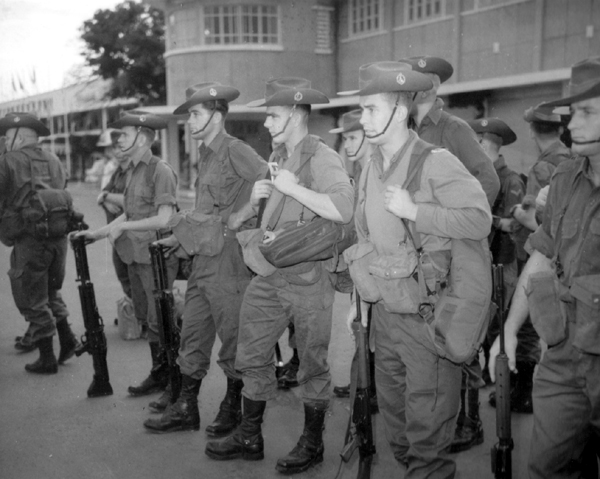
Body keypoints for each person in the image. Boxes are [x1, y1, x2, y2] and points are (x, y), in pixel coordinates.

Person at [343, 61, 491, 477]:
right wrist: (364, 301)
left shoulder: (435, 161)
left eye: (371, 109)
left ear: (400, 110)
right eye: (362, 109)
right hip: (387, 316)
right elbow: (367, 235)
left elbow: (479, 219)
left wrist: (417, 211)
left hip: (428, 318)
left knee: (427, 440)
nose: (363, 118)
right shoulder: (370, 165)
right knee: (399, 431)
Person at [205, 77, 354, 474]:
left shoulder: (320, 157)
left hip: (308, 280)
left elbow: (343, 208)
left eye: (272, 115)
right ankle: (250, 436)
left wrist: (294, 188)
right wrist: (259, 202)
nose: (267, 123)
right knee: (251, 353)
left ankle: (312, 443)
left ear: (294, 113)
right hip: (270, 275)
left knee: (312, 364)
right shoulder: (280, 156)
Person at [489, 56, 600, 479]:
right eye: (573, 113)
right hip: (565, 354)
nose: (575, 124)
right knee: (547, 468)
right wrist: (511, 332)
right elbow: (540, 254)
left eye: (589, 112)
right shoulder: (567, 178)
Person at [143, 82, 268, 434]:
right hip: (202, 260)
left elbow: (267, 180)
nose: (190, 121)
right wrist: (178, 236)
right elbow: (204, 212)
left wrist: (242, 216)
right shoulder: (208, 154)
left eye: (196, 114)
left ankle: (232, 409)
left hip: (229, 260)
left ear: (217, 114)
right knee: (193, 335)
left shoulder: (235, 150)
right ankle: (186, 407)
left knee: (233, 339)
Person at [401, 54, 500, 453]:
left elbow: (488, 180)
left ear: (435, 87)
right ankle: (436, 417)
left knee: (460, 332)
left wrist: (459, 229)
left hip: (451, 252)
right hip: (419, 253)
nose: (413, 83)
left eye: (421, 78)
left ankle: (470, 420)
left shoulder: (454, 129)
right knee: (428, 331)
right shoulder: (404, 126)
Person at [76, 111, 178, 395]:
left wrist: (126, 226)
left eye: (124, 133)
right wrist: (96, 234)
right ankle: (160, 375)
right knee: (148, 319)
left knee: (162, 321)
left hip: (155, 259)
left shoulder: (161, 170)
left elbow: (165, 219)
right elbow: (129, 214)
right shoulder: (133, 171)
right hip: (136, 257)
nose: (119, 138)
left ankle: (173, 382)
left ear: (142, 137)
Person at [468, 118, 539, 415]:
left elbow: (512, 225)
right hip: (487, 257)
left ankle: (510, 382)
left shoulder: (510, 180)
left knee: (503, 319)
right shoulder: (478, 176)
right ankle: (491, 374)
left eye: (478, 145)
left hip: (506, 260)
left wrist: (487, 218)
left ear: (487, 146)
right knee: (487, 319)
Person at [0, 112, 80, 373]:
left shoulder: (8, 161)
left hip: (29, 239)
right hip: (57, 239)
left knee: (32, 298)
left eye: (6, 137)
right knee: (50, 292)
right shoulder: (55, 160)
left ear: (18, 137)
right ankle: (67, 340)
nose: (4, 141)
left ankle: (46, 358)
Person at [329, 109, 377, 407]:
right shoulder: (360, 171)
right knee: (363, 327)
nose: (347, 145)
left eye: (352, 137)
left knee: (371, 329)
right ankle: (364, 384)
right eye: (344, 138)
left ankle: (368, 389)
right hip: (361, 263)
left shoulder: (372, 170)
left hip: (373, 265)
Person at [511, 102, 571, 267]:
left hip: (547, 256)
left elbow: (534, 220)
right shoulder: (574, 158)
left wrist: (516, 211)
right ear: (560, 130)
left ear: (531, 132)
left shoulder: (541, 168)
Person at [96, 129, 132, 301]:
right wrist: (105, 198)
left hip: (132, 235)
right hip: (117, 235)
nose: (116, 152)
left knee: (135, 279)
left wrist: (106, 197)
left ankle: (143, 320)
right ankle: (136, 314)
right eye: (114, 148)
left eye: (120, 147)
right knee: (122, 275)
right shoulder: (118, 172)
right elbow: (101, 194)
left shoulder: (134, 171)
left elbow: (131, 201)